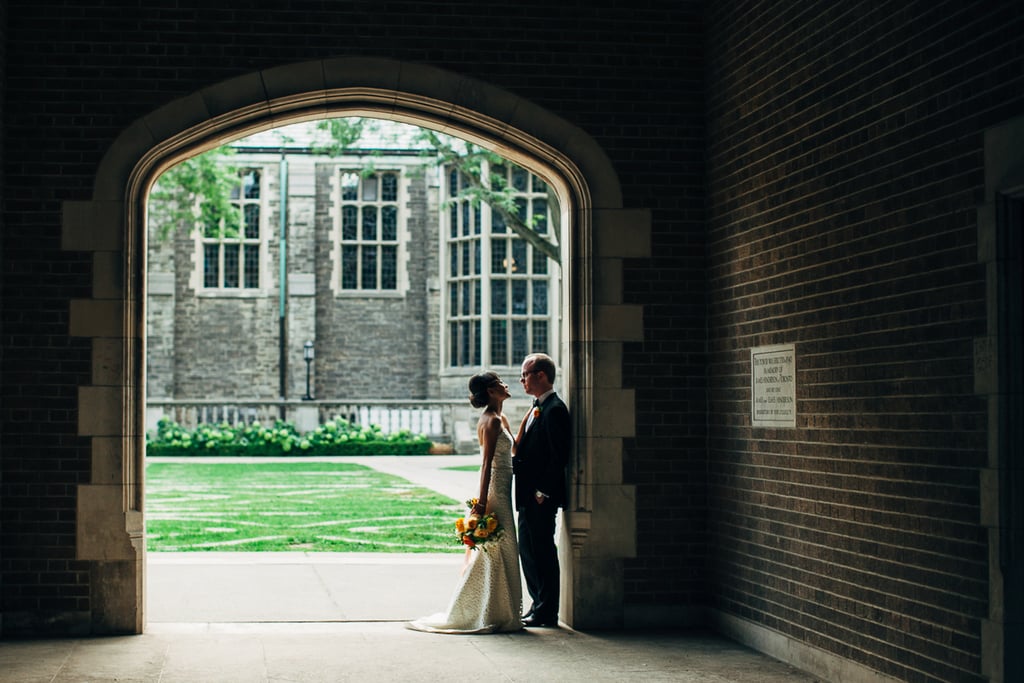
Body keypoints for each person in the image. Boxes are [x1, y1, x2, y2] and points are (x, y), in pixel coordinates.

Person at [406, 372, 523, 634]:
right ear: (492, 391)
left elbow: (515, 450)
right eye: (500, 383)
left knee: (502, 551)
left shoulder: (501, 418)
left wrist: (527, 421)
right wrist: (481, 503)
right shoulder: (490, 421)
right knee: (496, 550)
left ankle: (499, 608)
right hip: (496, 492)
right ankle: (483, 609)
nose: (506, 384)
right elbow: (486, 465)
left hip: (505, 486)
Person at [513, 352, 570, 628]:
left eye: (525, 374)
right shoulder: (537, 407)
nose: (521, 380)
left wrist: (542, 492)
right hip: (526, 496)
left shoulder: (555, 410)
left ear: (541, 376)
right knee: (529, 551)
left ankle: (547, 612)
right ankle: (537, 605)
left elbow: (558, 457)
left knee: (543, 553)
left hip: (539, 498)